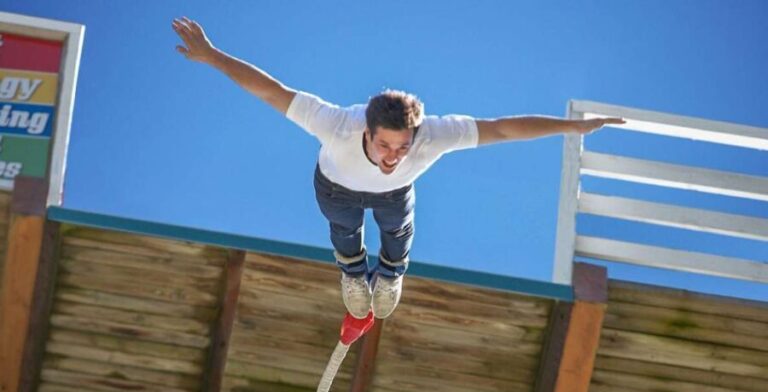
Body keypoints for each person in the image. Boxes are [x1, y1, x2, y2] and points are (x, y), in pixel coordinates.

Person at [172, 17, 624, 320]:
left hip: (392, 197)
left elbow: (503, 129)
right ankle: (353, 273)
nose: (393, 155)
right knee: (345, 231)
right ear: (367, 131)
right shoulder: (336, 123)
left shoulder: (434, 134)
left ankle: (389, 276)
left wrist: (574, 127)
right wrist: (213, 56)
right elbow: (270, 91)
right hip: (336, 188)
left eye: (402, 147)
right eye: (385, 145)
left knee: (398, 230)